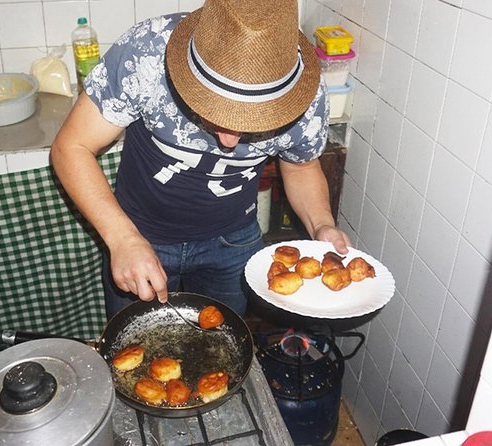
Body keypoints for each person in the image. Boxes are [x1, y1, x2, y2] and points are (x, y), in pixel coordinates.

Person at [50, 0, 351, 318]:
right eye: (215, 115)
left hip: (233, 242)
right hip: (137, 232)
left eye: (254, 124)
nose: (229, 142)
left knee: (220, 353)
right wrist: (122, 238)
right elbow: (72, 146)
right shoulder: (148, 52)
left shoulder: (306, 92)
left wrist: (322, 225)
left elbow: (301, 165)